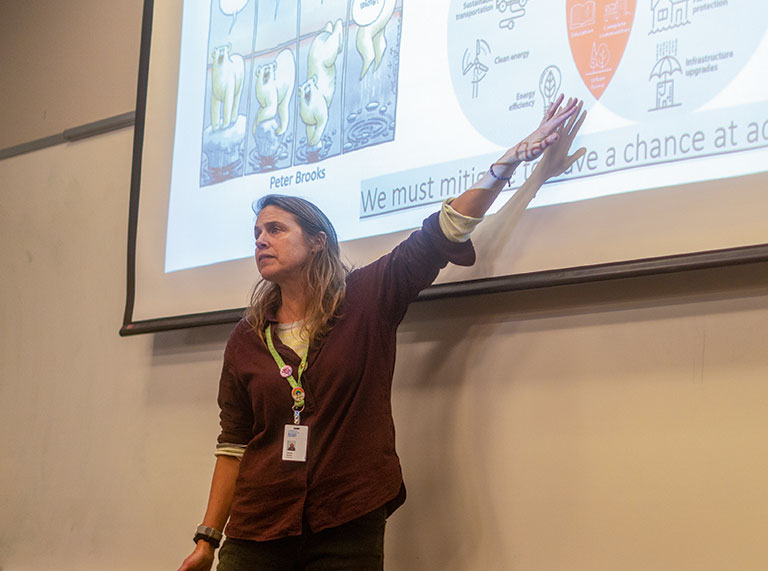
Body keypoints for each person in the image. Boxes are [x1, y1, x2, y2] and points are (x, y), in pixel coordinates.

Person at [179, 95, 586, 571]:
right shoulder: (246, 340)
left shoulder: (368, 297)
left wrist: (509, 163)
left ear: (317, 242)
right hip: (258, 529)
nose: (261, 241)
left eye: (275, 229)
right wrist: (208, 537)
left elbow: (442, 231)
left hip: (346, 520)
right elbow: (233, 445)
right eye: (256, 234)